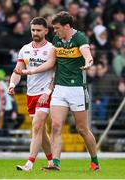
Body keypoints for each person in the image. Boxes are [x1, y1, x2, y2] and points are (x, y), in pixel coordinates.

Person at [15, 11, 100, 171]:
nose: (55, 31)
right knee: (55, 126)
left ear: (67, 26)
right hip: (59, 88)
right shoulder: (56, 40)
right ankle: (55, 163)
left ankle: (94, 160)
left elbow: (87, 53)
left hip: (77, 89)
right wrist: (30, 72)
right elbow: (51, 63)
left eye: (57, 28)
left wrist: (89, 62)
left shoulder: (79, 38)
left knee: (82, 129)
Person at [8, 17, 54, 171]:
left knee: (36, 126)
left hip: (45, 93)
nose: (35, 32)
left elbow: (56, 74)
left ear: (46, 31)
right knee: (42, 132)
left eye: (39, 30)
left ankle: (29, 164)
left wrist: (48, 92)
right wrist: (12, 84)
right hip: (31, 94)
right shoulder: (25, 49)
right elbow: (17, 70)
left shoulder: (52, 49)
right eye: (33, 30)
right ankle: (51, 162)